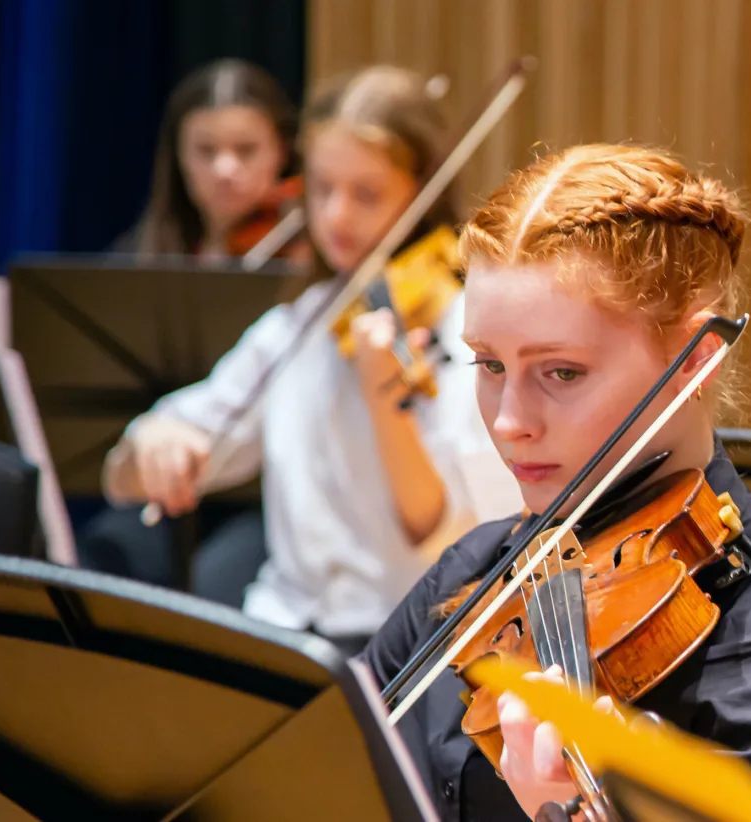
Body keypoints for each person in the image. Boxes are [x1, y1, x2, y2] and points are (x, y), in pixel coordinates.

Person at [359, 143, 751, 822]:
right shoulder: (476, 573)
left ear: (694, 360)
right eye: (489, 366)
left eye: (561, 372)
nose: (509, 421)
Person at [91, 66, 497, 652]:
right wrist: (153, 441)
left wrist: (387, 402)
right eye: (322, 188)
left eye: (366, 195)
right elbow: (125, 474)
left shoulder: (463, 332)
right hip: (282, 627)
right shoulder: (298, 324)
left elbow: (435, 531)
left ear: (421, 192)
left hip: (404, 642)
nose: (335, 216)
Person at [119, 58, 306, 262]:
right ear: (178, 154)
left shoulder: (305, 251)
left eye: (246, 149)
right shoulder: (137, 253)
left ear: (282, 150)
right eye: (205, 150)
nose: (224, 170)